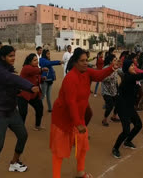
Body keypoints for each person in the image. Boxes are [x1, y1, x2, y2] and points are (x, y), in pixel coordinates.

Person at [50, 48, 116, 178]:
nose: (86, 63)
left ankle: (80, 172)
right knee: (59, 152)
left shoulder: (87, 72)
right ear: (75, 62)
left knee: (82, 147)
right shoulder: (70, 78)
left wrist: (111, 68)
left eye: (86, 60)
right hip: (63, 119)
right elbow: (71, 103)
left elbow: (99, 75)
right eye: (82, 61)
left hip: (78, 118)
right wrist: (78, 123)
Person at [0, 46, 39, 178]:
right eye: (10, 56)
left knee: (23, 135)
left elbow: (8, 84)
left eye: (14, 55)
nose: (13, 58)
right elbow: (13, 79)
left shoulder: (5, 67)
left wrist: (16, 91)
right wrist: (29, 86)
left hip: (11, 110)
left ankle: (14, 162)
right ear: (3, 57)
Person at [112, 60, 143, 159]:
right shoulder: (128, 77)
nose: (134, 67)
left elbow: (137, 84)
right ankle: (115, 148)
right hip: (122, 106)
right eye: (131, 66)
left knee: (138, 125)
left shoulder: (134, 78)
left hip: (129, 106)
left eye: (134, 65)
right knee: (126, 130)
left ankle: (127, 141)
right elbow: (139, 76)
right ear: (127, 68)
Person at [17, 54, 48, 131]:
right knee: (23, 112)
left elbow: (37, 79)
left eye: (37, 60)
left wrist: (42, 79)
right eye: (34, 60)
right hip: (23, 94)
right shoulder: (26, 68)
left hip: (33, 94)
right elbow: (34, 71)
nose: (37, 62)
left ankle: (37, 125)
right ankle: (20, 128)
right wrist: (42, 70)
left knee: (39, 108)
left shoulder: (36, 68)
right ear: (29, 61)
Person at [101, 54, 121, 126]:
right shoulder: (105, 68)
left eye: (116, 60)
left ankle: (114, 116)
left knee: (119, 103)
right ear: (110, 61)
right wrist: (110, 77)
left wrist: (117, 89)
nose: (116, 62)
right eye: (114, 60)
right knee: (110, 105)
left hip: (114, 91)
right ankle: (105, 119)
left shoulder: (115, 68)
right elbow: (102, 79)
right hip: (106, 91)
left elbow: (115, 80)